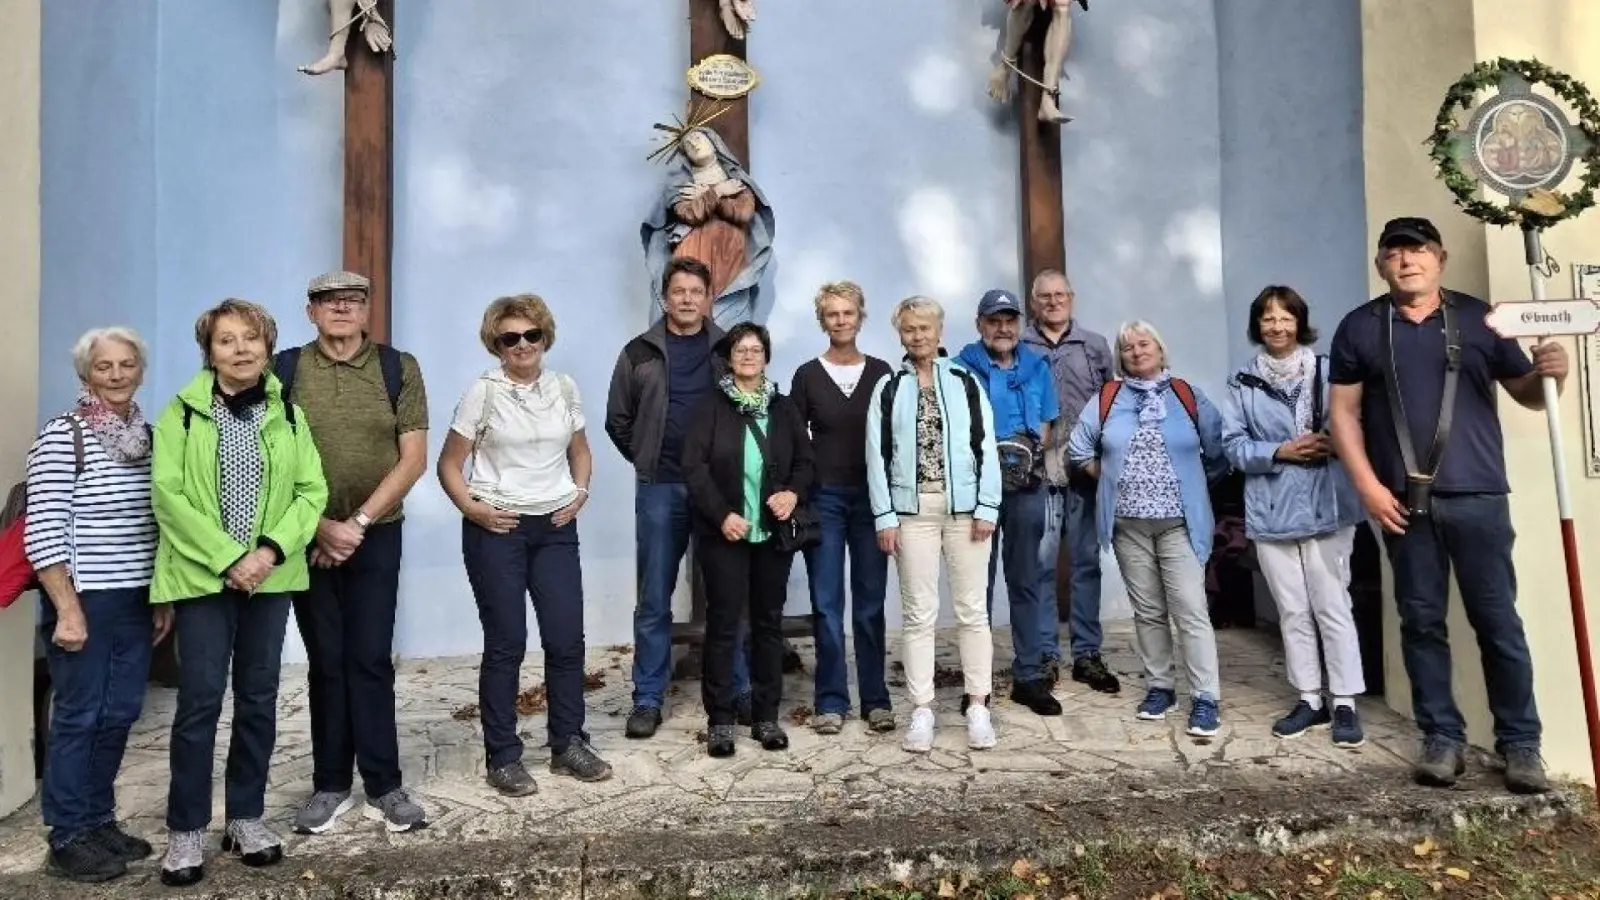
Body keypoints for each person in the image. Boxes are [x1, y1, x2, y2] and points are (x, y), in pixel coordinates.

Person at [1328, 216, 1566, 794]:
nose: (1406, 261)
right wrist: (1368, 488)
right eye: (1395, 253)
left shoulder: (1481, 321)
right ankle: (1442, 738)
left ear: (1440, 258)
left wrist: (1552, 375)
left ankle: (1521, 744)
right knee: (1421, 623)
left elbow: (1528, 393)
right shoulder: (1360, 327)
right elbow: (1343, 415)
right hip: (1400, 502)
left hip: (1479, 495)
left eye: (1418, 250)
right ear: (1381, 264)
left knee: (1499, 622)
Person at [151, 299, 327, 887]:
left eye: (251, 338)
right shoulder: (181, 414)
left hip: (269, 578)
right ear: (210, 351)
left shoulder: (290, 414)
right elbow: (168, 496)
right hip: (203, 579)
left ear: (268, 347)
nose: (241, 349)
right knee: (200, 701)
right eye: (227, 340)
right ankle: (186, 828)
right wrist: (229, 558)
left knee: (258, 696)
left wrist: (268, 553)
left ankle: (246, 817)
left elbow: (312, 491)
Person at [438, 295, 613, 796]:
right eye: (510, 337)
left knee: (566, 639)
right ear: (496, 343)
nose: (522, 345)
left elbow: (580, 450)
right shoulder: (483, 392)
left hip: (555, 528)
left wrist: (580, 492)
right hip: (498, 529)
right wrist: (472, 508)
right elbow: (449, 464)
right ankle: (503, 756)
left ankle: (568, 744)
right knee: (507, 642)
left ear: (544, 337)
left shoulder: (564, 387)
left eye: (531, 335)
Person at [277, 271, 429, 835]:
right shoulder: (284, 370)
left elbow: (413, 458)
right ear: (310, 311)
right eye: (328, 301)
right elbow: (272, 459)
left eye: (352, 300)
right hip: (307, 535)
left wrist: (356, 525)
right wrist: (320, 528)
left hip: (376, 532)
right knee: (326, 662)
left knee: (369, 659)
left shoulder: (398, 368)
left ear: (367, 310)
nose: (341, 308)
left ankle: (385, 787)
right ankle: (331, 785)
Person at [24, 328, 171, 883]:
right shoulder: (64, 435)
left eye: (126, 364)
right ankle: (67, 836)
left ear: (140, 371)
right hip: (84, 597)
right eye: (104, 366)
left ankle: (98, 820)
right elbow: (43, 528)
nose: (116, 375)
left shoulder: (148, 438)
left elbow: (156, 523)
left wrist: (161, 595)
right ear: (86, 373)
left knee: (120, 711)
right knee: (80, 713)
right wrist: (66, 608)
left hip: (135, 596)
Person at [606, 256, 751, 739]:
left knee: (729, 594)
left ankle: (738, 689)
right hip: (661, 488)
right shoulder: (638, 353)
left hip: (718, 491)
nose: (687, 299)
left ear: (708, 298)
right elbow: (617, 419)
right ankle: (648, 698)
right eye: (678, 291)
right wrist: (647, 457)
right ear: (664, 296)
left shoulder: (726, 348)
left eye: (696, 291)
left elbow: (747, 406)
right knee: (653, 598)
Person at [1222, 286, 1367, 748]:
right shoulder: (1242, 382)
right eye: (1268, 318)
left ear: (1299, 323)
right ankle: (1309, 698)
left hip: (1328, 504)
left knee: (1332, 605)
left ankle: (1344, 701)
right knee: (1292, 609)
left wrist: (1335, 442)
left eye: (1286, 317)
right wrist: (1279, 451)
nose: (1277, 326)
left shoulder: (1329, 371)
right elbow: (1233, 446)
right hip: (1272, 508)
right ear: (1257, 326)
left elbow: (1357, 423)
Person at [1067, 321, 1227, 738]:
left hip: (1179, 523)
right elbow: (1078, 448)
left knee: (1190, 609)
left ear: (1160, 348)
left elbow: (1219, 450)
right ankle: (1161, 687)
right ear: (1120, 357)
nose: (1136, 352)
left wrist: (1192, 486)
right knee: (1149, 611)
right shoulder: (1108, 398)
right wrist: (1109, 478)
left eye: (1144, 344)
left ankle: (1205, 697)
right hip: (1128, 526)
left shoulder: (1187, 395)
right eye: (1128, 347)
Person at [866, 296, 1001, 754]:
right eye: (909, 329)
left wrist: (987, 506)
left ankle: (978, 706)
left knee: (972, 611)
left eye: (925, 327)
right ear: (900, 334)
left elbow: (986, 446)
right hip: (912, 514)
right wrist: (885, 516)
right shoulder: (889, 387)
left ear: (939, 332)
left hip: (965, 511)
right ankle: (922, 709)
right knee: (918, 615)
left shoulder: (965, 381)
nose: (918, 335)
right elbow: (877, 456)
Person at [683, 322, 814, 756]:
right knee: (724, 626)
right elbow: (694, 468)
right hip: (726, 533)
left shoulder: (784, 407)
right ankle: (721, 720)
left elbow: (806, 462)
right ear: (729, 357)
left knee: (767, 625)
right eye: (740, 349)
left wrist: (792, 494)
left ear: (766, 357)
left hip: (771, 533)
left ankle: (766, 716)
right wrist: (721, 515)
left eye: (756, 349)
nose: (748, 356)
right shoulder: (710, 406)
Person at [789, 282, 895, 735]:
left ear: (860, 317)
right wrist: (797, 494)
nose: (841, 320)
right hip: (825, 501)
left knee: (870, 604)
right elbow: (794, 442)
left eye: (848, 312)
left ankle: (876, 698)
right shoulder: (807, 376)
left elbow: (895, 439)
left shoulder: (883, 373)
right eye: (832, 314)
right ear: (822, 320)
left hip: (872, 502)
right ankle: (831, 700)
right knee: (827, 604)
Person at [957, 289, 1062, 716]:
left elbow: (1047, 423)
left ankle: (1029, 676)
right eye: (994, 321)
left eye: (1009, 320)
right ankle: (976, 683)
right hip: (975, 491)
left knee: (1026, 581)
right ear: (979, 324)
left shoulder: (1037, 367)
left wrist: (1025, 459)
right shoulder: (960, 367)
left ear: (1019, 324)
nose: (1003, 328)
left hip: (1026, 488)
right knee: (976, 587)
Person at [1021, 270, 1120, 694]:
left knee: (1086, 563)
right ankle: (1045, 654)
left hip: (1084, 471)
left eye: (1060, 294)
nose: (1053, 301)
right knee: (1040, 565)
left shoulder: (1094, 345)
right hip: (1037, 473)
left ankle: (1087, 654)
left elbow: (1111, 403)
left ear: (1071, 298)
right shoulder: (1020, 345)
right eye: (1045, 296)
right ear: (1033, 301)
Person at [642, 128, 776, 327]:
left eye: (698, 138)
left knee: (724, 310)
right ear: (685, 155)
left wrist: (708, 195)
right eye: (688, 145)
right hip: (692, 249)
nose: (694, 145)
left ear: (714, 143)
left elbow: (743, 213)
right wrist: (719, 191)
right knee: (689, 302)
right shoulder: (681, 183)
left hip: (729, 252)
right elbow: (689, 213)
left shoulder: (735, 178)